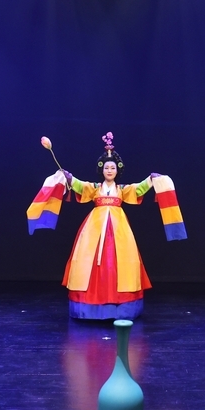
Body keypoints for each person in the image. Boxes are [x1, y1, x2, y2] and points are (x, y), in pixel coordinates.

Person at [59, 132, 162, 320]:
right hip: (94, 229)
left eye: (112, 167)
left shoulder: (122, 190)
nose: (109, 170)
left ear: (117, 170)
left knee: (120, 264)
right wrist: (69, 178)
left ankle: (122, 308)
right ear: (102, 170)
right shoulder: (95, 188)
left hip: (119, 230)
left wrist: (150, 179)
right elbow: (80, 186)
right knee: (89, 262)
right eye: (106, 167)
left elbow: (138, 188)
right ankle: (89, 308)